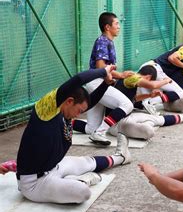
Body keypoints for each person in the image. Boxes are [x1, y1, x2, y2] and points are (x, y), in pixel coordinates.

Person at [15, 66, 131, 204]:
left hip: (54, 167)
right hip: (35, 183)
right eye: (79, 110)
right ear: (69, 101)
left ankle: (121, 157)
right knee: (83, 193)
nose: (79, 114)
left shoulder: (66, 111)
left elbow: (89, 103)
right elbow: (78, 79)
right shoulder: (46, 110)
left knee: (86, 162)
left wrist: (106, 83)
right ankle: (80, 180)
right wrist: (104, 72)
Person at [84, 12, 134, 145]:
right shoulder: (103, 41)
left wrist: (121, 75)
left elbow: (105, 68)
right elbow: (101, 67)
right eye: (116, 23)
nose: (119, 26)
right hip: (97, 83)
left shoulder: (108, 41)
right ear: (107, 27)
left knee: (91, 128)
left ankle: (68, 124)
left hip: (95, 83)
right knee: (127, 105)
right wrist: (121, 75)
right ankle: (99, 133)